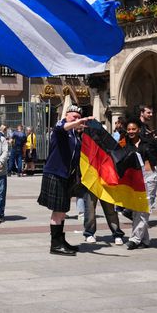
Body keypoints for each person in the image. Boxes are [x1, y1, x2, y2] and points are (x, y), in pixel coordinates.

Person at [37, 106, 90, 255]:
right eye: (74, 116)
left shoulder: (75, 134)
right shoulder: (61, 126)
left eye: (78, 117)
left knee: (62, 210)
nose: (76, 119)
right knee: (58, 210)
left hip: (66, 175)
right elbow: (62, 127)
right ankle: (55, 245)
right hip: (55, 173)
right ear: (66, 115)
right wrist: (77, 123)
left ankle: (61, 240)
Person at [123, 120, 157, 249]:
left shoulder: (148, 142)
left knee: (144, 209)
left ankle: (135, 239)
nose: (131, 131)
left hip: (149, 178)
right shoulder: (125, 145)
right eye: (129, 129)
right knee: (137, 210)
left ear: (138, 130)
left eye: (133, 129)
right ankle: (145, 240)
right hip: (135, 180)